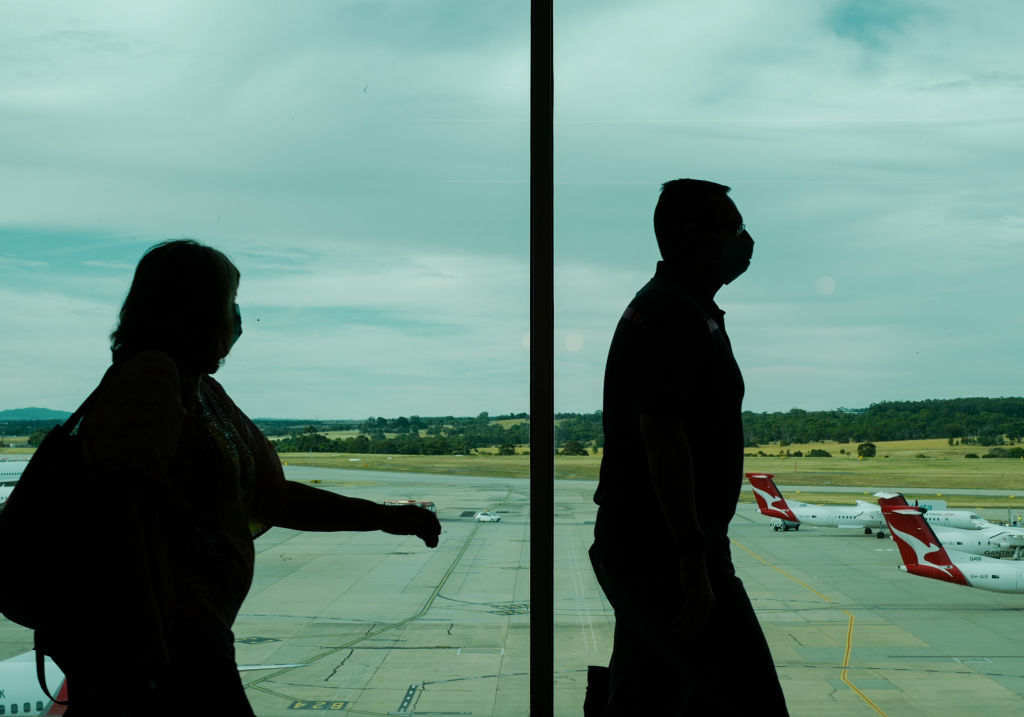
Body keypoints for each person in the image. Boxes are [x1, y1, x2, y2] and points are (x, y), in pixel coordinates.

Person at [46, 239, 441, 716]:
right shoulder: (151, 377)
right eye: (229, 302)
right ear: (193, 309)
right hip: (158, 643)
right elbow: (119, 514)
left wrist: (380, 517)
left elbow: (271, 498)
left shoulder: (199, 389)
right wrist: (146, 646)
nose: (237, 318)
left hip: (192, 636)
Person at [589, 179, 788, 715]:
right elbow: (663, 437)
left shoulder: (680, 308)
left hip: (653, 546)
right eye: (734, 228)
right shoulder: (672, 314)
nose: (745, 241)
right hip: (665, 551)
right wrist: (692, 556)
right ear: (693, 236)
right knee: (751, 702)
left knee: (645, 699)